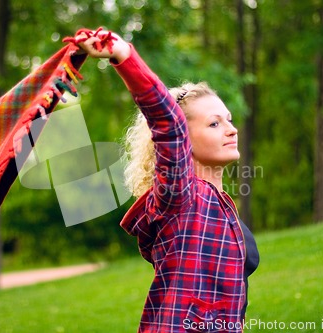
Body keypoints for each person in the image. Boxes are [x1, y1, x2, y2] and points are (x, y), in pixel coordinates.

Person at [75, 29, 260, 333]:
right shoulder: (180, 196)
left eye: (228, 119)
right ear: (185, 139)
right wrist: (124, 56)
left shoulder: (222, 206)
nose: (231, 129)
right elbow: (167, 123)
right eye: (215, 123)